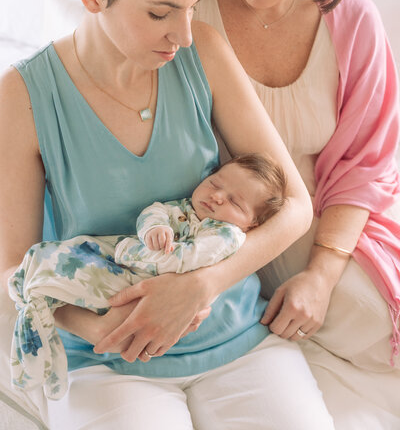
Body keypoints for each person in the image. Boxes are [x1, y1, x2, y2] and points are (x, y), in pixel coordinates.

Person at [0, 0, 335, 429]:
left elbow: (295, 206)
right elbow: (12, 267)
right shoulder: (23, 97)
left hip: (237, 337)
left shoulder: (201, 48)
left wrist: (201, 286)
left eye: (191, 5)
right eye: (160, 12)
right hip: (110, 362)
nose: (183, 33)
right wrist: (96, 327)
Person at [194, 0, 400, 424]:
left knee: (364, 312)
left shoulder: (352, 22)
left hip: (323, 218)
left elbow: (365, 167)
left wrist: (320, 273)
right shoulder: (192, 12)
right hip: (211, 227)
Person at [9, 153, 287, 400]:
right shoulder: (186, 208)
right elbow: (154, 211)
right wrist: (153, 229)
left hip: (148, 283)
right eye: (215, 182)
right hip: (129, 270)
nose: (217, 196)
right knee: (61, 258)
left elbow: (184, 261)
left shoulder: (226, 235)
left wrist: (133, 251)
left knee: (92, 282)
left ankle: (42, 307)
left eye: (235, 202)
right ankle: (40, 297)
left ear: (252, 224)